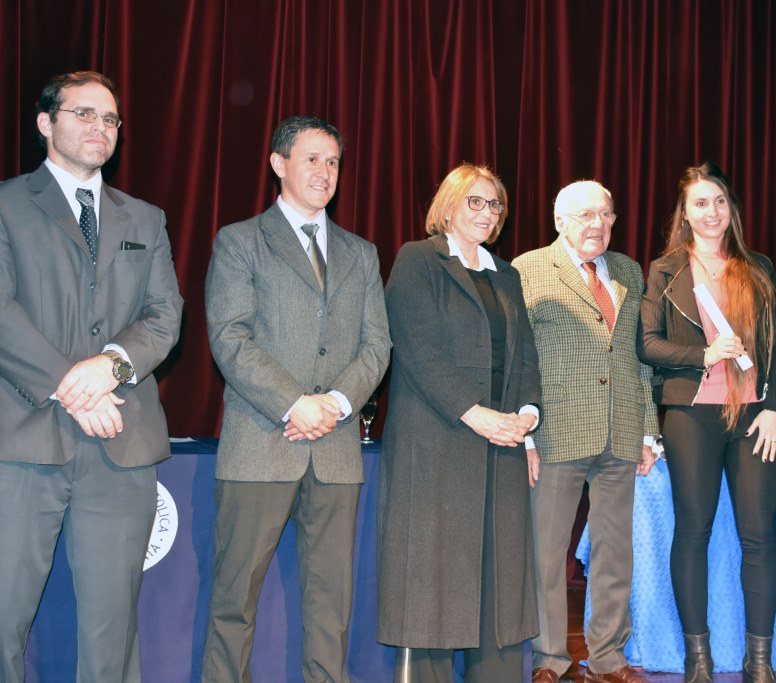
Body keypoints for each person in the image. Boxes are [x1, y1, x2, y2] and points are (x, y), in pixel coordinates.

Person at [0, 70, 184, 682]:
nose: (99, 128)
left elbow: (165, 315)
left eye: (109, 119)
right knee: (4, 615)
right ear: (45, 123)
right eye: (83, 114)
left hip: (121, 445)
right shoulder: (5, 205)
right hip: (22, 441)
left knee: (112, 630)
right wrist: (71, 387)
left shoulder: (146, 219)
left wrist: (109, 366)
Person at [202, 115, 391, 682]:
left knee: (330, 606)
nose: (324, 172)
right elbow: (230, 337)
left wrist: (334, 403)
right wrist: (295, 403)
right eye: (311, 158)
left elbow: (377, 345)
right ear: (278, 164)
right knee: (235, 600)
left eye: (333, 161)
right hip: (261, 442)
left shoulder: (361, 252)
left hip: (335, 449)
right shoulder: (240, 241)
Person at [376, 163, 541, 683]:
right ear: (448, 204)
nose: (487, 214)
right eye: (476, 201)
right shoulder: (418, 261)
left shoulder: (507, 274)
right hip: (438, 441)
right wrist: (478, 415)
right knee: (434, 586)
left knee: (498, 583)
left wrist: (527, 418)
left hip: (502, 445)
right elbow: (418, 351)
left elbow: (527, 360)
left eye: (494, 205)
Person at [637, 162, 776, 683]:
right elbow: (647, 344)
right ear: (684, 212)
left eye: (720, 201)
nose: (711, 212)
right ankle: (697, 660)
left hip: (753, 418)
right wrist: (702, 354)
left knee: (759, 535)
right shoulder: (665, 270)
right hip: (691, 415)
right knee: (694, 530)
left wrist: (773, 409)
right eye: (700, 203)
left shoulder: (758, 267)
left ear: (732, 208)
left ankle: (759, 662)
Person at [512, 180, 659, 683]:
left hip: (619, 432)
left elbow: (639, 356)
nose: (596, 224)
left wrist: (647, 431)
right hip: (554, 431)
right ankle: (549, 658)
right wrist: (525, 433)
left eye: (605, 214)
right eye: (584, 215)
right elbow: (518, 357)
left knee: (615, 552)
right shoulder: (528, 268)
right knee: (546, 554)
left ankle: (608, 659)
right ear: (559, 221)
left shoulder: (629, 271)